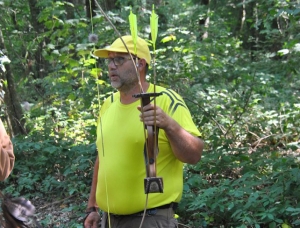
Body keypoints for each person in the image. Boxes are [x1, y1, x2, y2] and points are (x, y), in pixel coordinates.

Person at [84, 35, 204, 228]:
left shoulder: (165, 99)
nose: (111, 66)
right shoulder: (108, 104)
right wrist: (93, 207)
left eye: (119, 59)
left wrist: (169, 125)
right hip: (108, 220)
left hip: (150, 219)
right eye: (109, 60)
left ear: (140, 63)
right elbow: (103, 157)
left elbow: (194, 154)